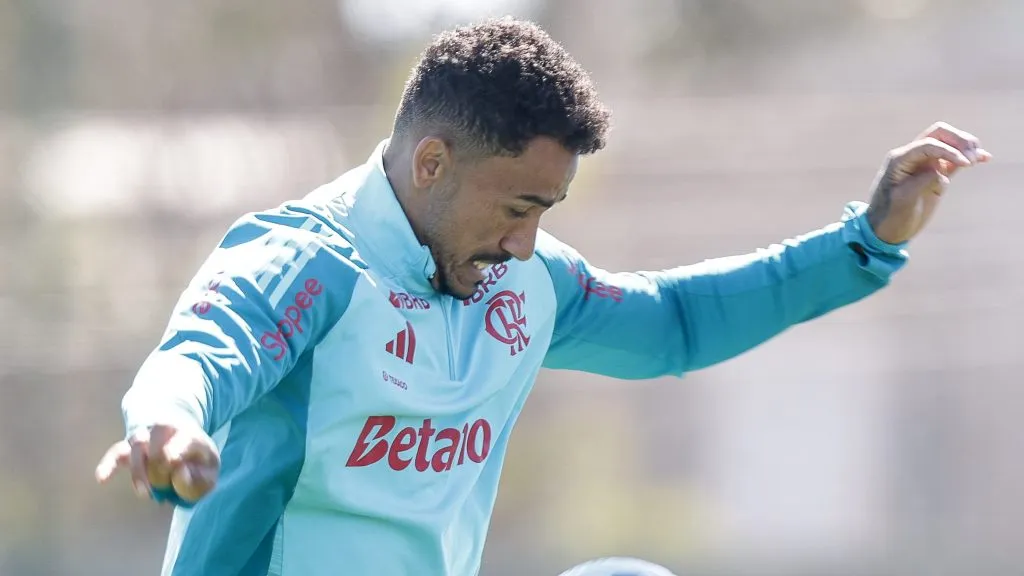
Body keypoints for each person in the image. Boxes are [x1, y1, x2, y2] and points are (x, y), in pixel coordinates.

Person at [94, 16, 990, 576]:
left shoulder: (522, 282)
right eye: (517, 207)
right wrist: (166, 427)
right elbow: (202, 356)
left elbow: (674, 321)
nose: (526, 243)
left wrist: (864, 243)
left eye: (545, 212)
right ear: (432, 162)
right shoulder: (307, 263)